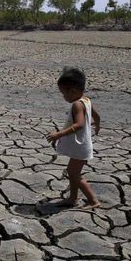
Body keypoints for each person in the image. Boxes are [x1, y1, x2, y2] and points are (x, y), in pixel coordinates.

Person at [46, 67, 101, 210]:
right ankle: (73, 198)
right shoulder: (86, 100)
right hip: (82, 145)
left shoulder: (77, 104)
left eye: (64, 94)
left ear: (73, 91)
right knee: (72, 172)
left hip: (80, 147)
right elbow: (97, 117)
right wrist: (96, 125)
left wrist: (59, 134)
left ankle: (93, 200)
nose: (63, 97)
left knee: (75, 174)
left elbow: (79, 125)